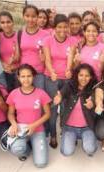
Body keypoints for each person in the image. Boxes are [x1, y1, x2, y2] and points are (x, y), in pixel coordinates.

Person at [6, 64, 51, 168]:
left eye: (29, 76)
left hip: (38, 129)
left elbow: (48, 114)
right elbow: (10, 113)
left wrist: (34, 125)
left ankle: (36, 144)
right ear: (18, 77)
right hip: (21, 129)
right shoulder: (14, 94)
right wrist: (13, 124)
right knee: (17, 150)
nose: (26, 79)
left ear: (33, 76)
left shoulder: (41, 93)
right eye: (23, 76)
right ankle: (28, 149)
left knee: (41, 163)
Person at [43, 14, 75, 148]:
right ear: (54, 28)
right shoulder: (47, 40)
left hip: (66, 80)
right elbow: (47, 59)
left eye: (65, 27)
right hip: (52, 79)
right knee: (53, 107)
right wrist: (51, 72)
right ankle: (53, 135)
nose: (62, 30)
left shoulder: (72, 40)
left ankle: (64, 130)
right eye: (59, 27)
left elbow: (70, 58)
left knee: (65, 107)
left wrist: (68, 70)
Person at [53, 64, 98, 156]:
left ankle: (86, 139)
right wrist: (59, 97)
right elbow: (62, 93)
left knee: (90, 150)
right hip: (69, 128)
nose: (83, 78)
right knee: (67, 152)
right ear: (76, 75)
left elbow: (95, 98)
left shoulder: (94, 88)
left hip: (87, 128)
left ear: (91, 77)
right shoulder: (69, 85)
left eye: (87, 76)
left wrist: (92, 103)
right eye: (81, 75)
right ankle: (72, 139)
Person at [19, 5, 49, 89]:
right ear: (23, 16)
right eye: (27, 16)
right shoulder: (20, 33)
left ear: (37, 17)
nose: (30, 19)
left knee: (39, 100)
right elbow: (17, 53)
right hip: (23, 74)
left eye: (33, 16)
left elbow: (49, 54)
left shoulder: (45, 35)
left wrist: (45, 56)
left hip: (38, 73)